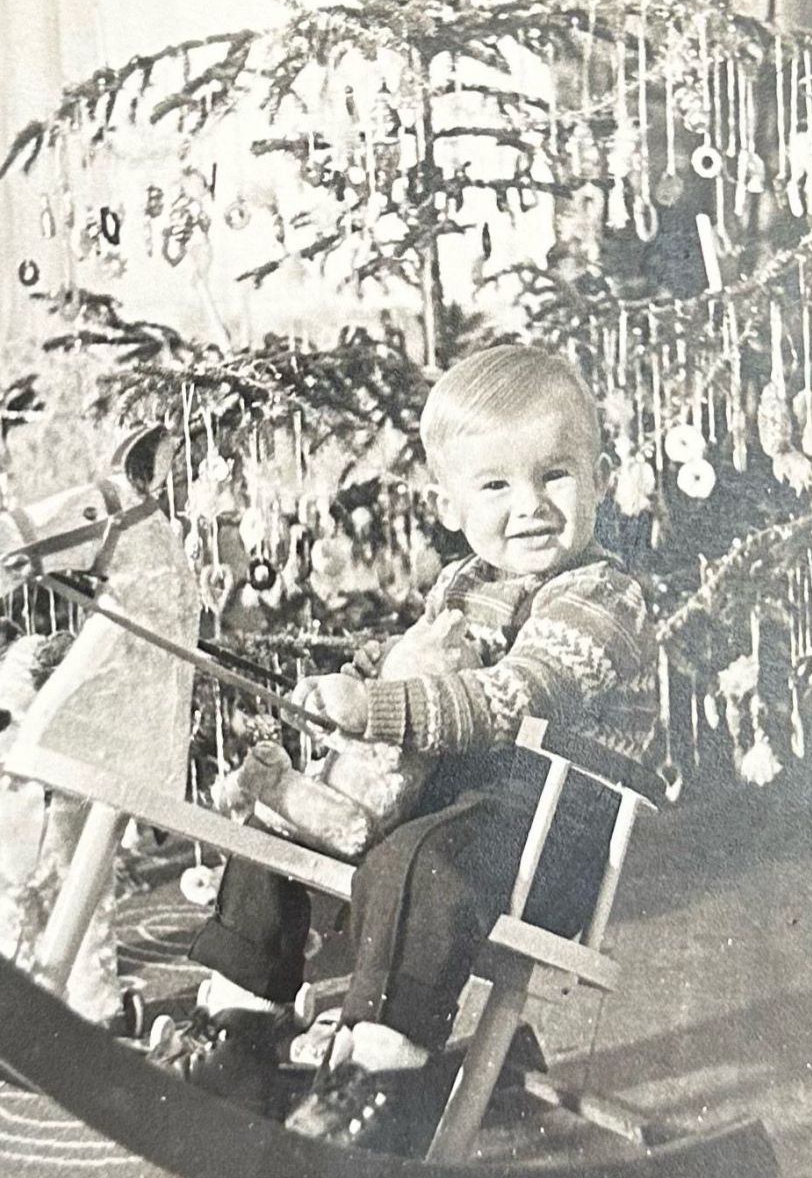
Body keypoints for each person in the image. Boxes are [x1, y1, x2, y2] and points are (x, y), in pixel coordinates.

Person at [151, 345, 659, 1150]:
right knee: (281, 830)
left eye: (556, 474)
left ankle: (382, 1077)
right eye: (495, 485)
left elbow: (507, 697)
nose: (529, 505)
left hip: (546, 837)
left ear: (600, 477)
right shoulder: (459, 585)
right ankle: (238, 1029)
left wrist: (380, 706)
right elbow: (407, 669)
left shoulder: (603, 599)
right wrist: (343, 694)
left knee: (418, 861)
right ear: (452, 504)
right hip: (449, 810)